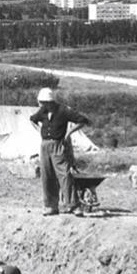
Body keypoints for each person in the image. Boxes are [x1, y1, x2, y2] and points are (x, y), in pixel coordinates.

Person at [29, 88, 90, 216]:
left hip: (58, 145)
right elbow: (32, 119)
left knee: (65, 175)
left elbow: (82, 120)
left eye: (43, 102)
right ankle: (51, 206)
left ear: (49, 101)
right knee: (47, 175)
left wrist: (68, 133)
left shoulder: (63, 111)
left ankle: (73, 205)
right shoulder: (42, 111)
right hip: (45, 145)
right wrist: (40, 131)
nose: (41, 105)